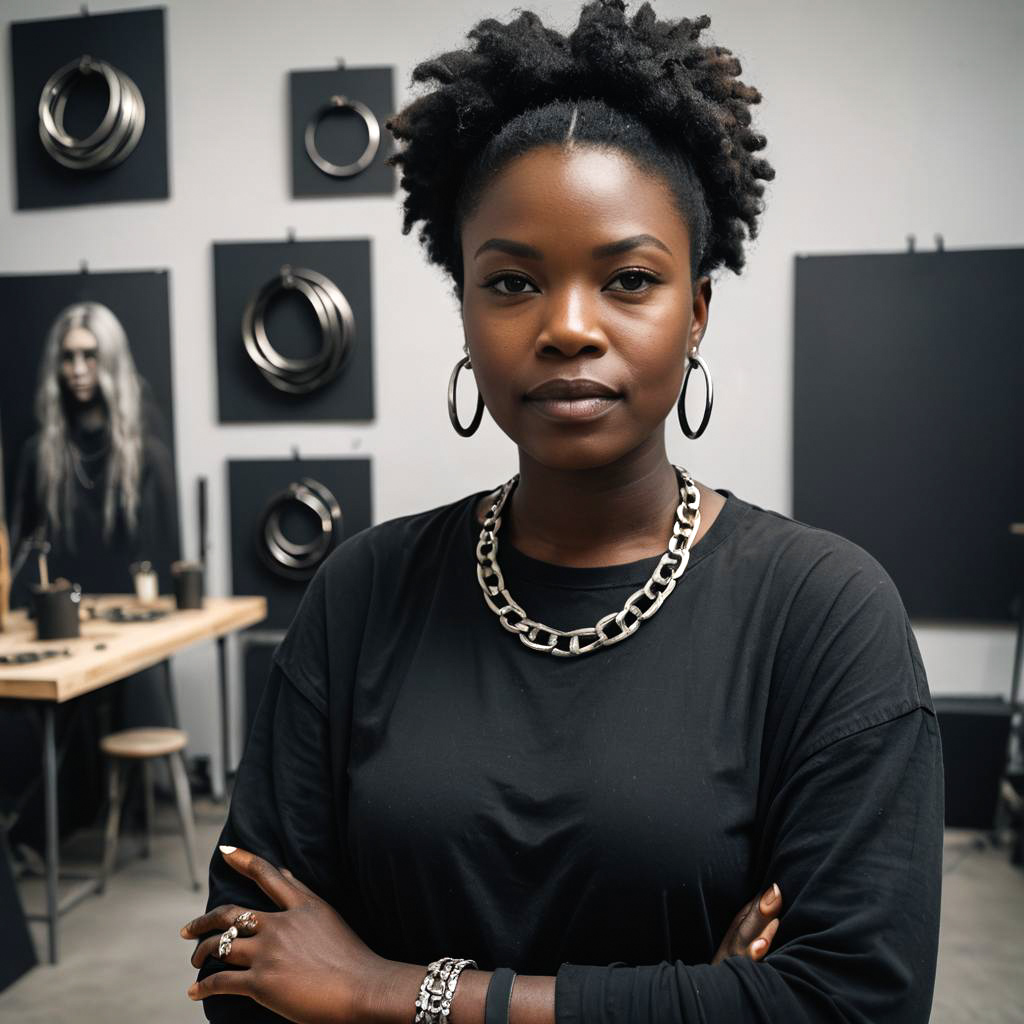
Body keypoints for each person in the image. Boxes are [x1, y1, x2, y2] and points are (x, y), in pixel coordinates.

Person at [181, 3, 943, 1022]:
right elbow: (245, 969)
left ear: (697, 310)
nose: (569, 327)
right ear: (464, 308)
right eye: (511, 281)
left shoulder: (825, 615)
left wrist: (379, 988)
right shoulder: (360, 594)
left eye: (628, 279)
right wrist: (702, 1001)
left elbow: (852, 1002)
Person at [2, 300, 180, 854]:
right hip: (56, 625)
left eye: (89, 356)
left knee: (126, 694)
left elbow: (164, 557)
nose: (77, 368)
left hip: (130, 629)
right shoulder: (39, 454)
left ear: (111, 363)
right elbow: (21, 551)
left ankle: (74, 821)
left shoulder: (146, 454)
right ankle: (39, 829)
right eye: (68, 357)